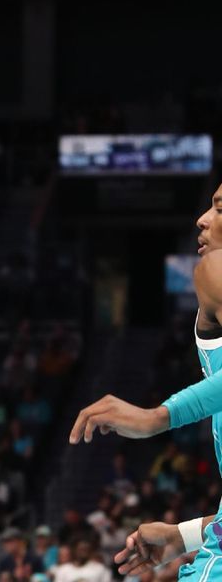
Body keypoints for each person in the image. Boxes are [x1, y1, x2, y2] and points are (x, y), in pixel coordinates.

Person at [69, 183, 222, 579]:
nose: (202, 220)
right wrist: (182, 535)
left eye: (221, 209)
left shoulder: (215, 268)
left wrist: (157, 416)